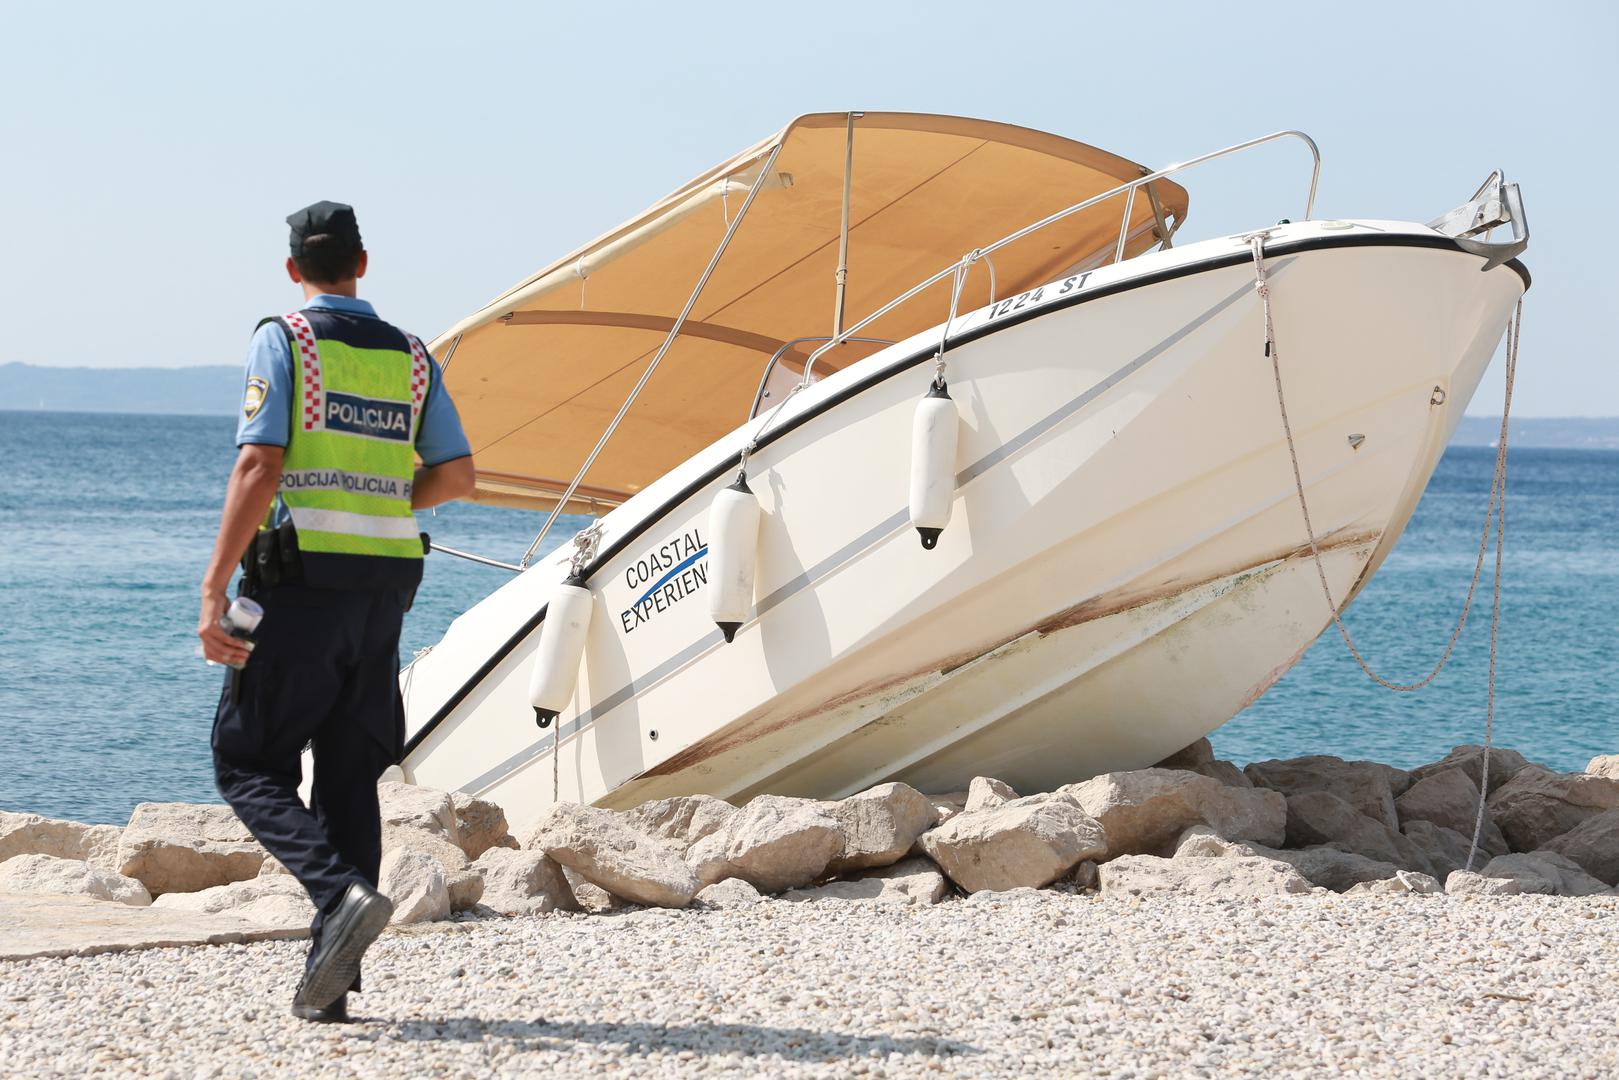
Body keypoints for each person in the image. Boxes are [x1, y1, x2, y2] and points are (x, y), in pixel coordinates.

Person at [196, 201, 476, 1023]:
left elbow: (259, 463)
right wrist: (385, 500)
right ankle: (333, 990)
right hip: (387, 581)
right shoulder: (414, 358)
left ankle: (338, 892)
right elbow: (456, 476)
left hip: (301, 578)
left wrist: (215, 586)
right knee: (349, 775)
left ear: (294, 271)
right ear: (363, 262)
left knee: (246, 761)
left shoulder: (285, 339)